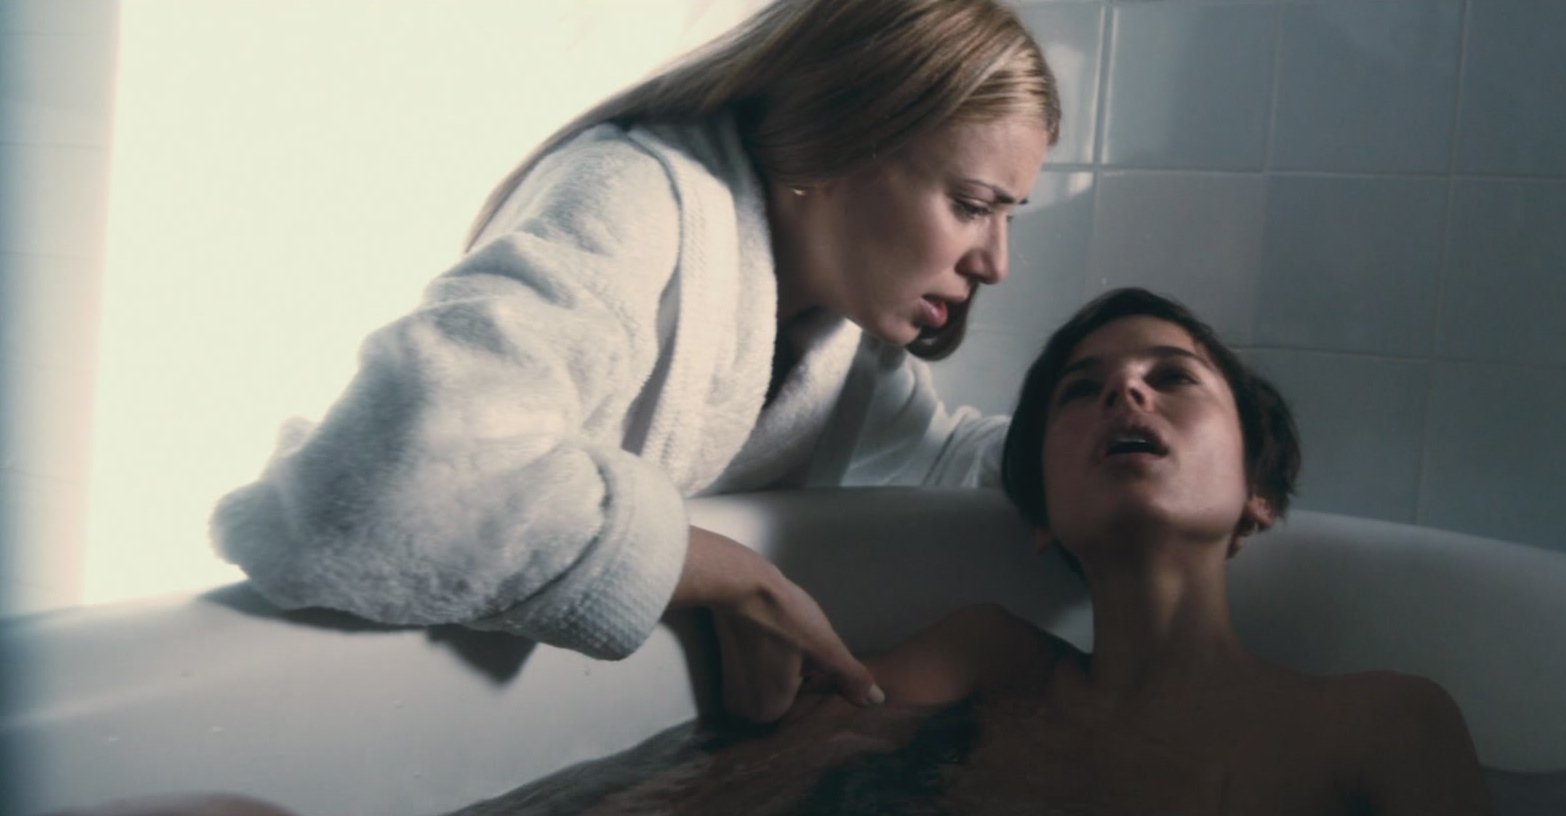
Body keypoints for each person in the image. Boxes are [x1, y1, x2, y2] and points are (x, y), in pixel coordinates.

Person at [211, 0, 1058, 724]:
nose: (997, 263)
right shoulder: (633, 198)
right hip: (351, 711)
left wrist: (1115, 438)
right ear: (839, 149)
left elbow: (947, 463)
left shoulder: (834, 343)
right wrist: (733, 576)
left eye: (1009, 216)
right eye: (971, 206)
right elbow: (395, 480)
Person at [449, 288, 1494, 815]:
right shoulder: (986, 663)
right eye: (1083, 391)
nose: (1125, 392)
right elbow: (723, 793)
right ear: (1040, 514)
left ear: (1258, 492)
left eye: (1171, 377)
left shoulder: (1382, 723)